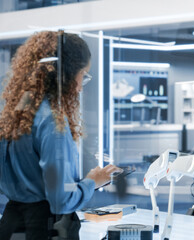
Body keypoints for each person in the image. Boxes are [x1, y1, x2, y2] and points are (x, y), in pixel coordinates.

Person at [0, 31, 122, 239]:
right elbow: (60, 200)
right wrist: (93, 181)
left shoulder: (17, 112)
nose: (80, 88)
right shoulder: (52, 121)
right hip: (45, 228)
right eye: (83, 74)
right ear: (66, 74)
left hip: (11, 224)